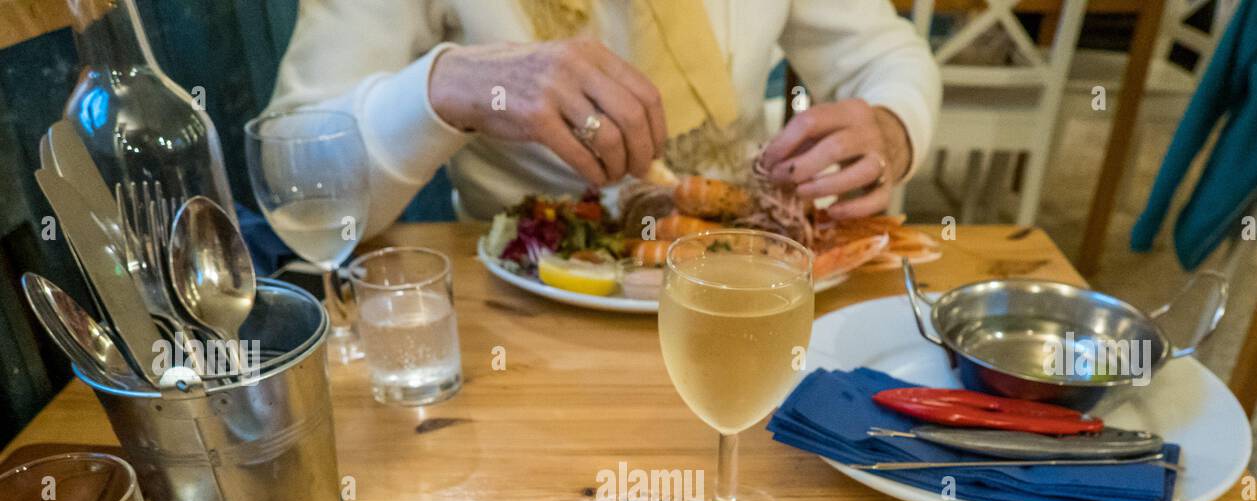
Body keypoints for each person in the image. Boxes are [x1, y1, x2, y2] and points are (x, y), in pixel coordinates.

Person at [267, 0, 940, 233]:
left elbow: (882, 54)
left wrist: (892, 125)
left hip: (748, 278)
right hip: (528, 318)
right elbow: (294, 175)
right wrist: (446, 86)